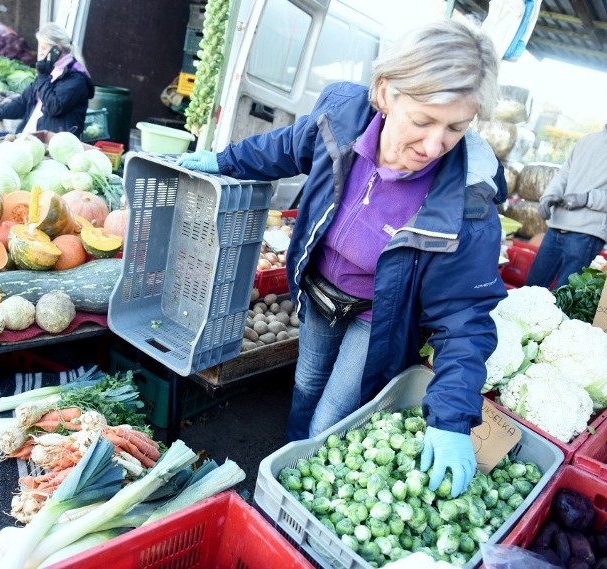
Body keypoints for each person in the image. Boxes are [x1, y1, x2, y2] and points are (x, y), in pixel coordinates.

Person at [177, 20, 507, 498]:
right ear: (386, 92)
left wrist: (453, 418)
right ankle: (287, 455)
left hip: (377, 318)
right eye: (423, 120)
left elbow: (464, 316)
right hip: (318, 291)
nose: (434, 145)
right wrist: (227, 160)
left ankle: (290, 496)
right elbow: (287, 147)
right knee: (307, 380)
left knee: (335, 412)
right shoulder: (343, 115)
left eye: (455, 127)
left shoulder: (469, 202)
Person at [526, 85, 607, 289]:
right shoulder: (587, 140)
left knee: (564, 296)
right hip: (556, 226)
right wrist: (548, 196)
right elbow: (564, 174)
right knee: (531, 288)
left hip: (587, 234)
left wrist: (587, 198)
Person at [0, 23, 94, 137]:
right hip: (31, 137)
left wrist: (43, 76)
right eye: (40, 47)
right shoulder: (51, 70)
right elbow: (23, 102)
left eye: (44, 48)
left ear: (57, 48)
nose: (40, 52)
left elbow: (54, 107)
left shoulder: (76, 78)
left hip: (53, 143)